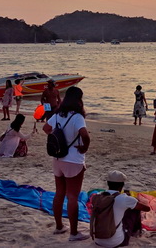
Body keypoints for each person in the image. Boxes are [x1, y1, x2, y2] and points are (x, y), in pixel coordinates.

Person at [42, 86, 91, 242]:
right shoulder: (77, 117)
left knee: (59, 193)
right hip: (74, 159)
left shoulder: (57, 115)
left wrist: (58, 136)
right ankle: (74, 233)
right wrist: (85, 147)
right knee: (72, 197)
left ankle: (59, 227)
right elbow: (85, 135)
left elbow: (46, 128)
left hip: (58, 158)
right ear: (79, 100)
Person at [92, 170, 150, 248]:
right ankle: (136, 232)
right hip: (116, 242)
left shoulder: (97, 196)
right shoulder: (124, 199)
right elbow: (147, 208)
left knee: (122, 209)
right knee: (134, 208)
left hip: (98, 240)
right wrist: (136, 200)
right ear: (122, 185)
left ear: (108, 183)